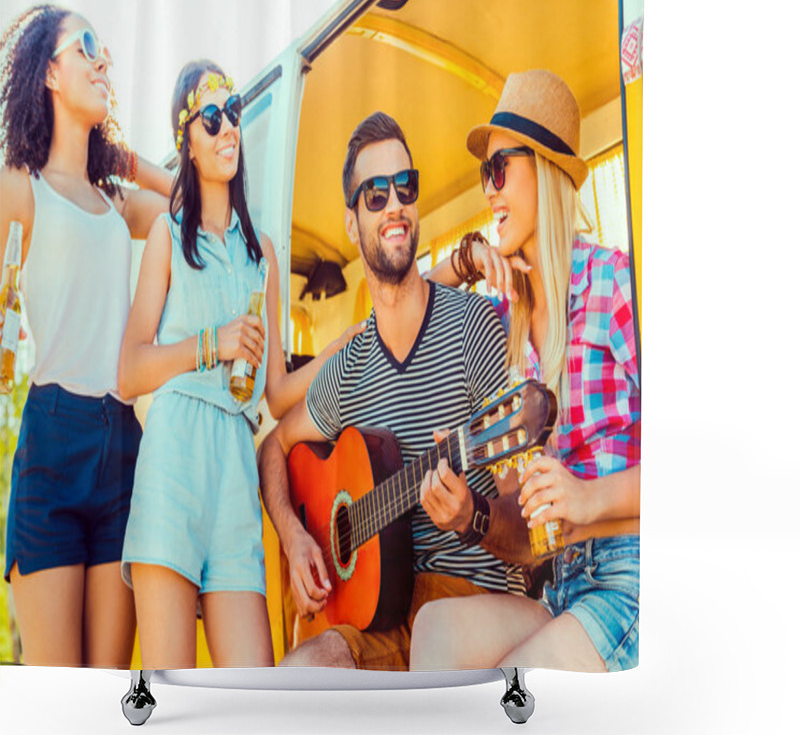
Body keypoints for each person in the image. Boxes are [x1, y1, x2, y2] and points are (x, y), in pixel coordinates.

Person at [259, 111, 530, 671]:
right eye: (375, 194)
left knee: (433, 637)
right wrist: (294, 537)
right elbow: (274, 446)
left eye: (405, 187)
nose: (394, 205)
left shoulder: (474, 327)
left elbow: (527, 531)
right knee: (296, 676)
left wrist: (471, 515)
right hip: (379, 623)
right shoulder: (350, 372)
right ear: (352, 220)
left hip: (469, 608)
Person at [118, 60, 362, 670]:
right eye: (211, 117)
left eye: (233, 115)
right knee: (168, 690)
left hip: (234, 465)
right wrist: (211, 345)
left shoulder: (264, 257)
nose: (228, 127)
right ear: (189, 144)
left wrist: (349, 344)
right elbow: (128, 372)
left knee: (254, 693)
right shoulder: (168, 238)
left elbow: (277, 394)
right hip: (173, 459)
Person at [411, 70, 641, 673]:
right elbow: (404, 300)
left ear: (545, 168)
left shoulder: (615, 284)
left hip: (633, 577)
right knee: (433, 627)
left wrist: (587, 498)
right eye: (484, 174)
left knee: (509, 690)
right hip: (560, 585)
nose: (488, 191)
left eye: (498, 169)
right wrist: (471, 516)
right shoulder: (509, 325)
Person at [0, 5, 172, 668]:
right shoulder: (21, 187)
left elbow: (194, 205)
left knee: (108, 693)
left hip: (124, 445)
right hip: (52, 441)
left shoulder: (118, 203)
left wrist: (127, 159)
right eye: (88, 47)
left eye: (106, 52)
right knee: (57, 699)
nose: (104, 62)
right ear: (48, 71)